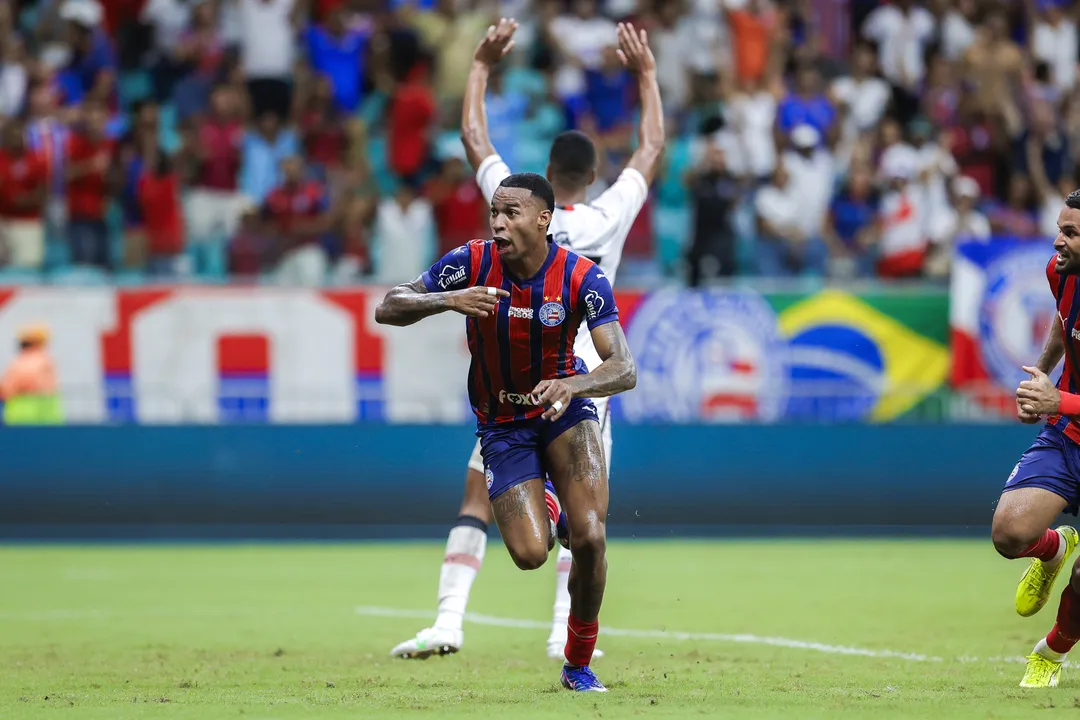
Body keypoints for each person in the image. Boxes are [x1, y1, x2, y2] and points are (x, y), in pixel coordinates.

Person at [387, 18, 663, 664]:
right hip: (585, 388)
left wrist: (480, 66)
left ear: (540, 192)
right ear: (590, 176)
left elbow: (473, 137)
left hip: (526, 384)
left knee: (478, 497)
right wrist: (646, 75)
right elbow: (649, 151)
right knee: (584, 526)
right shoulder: (606, 217)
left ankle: (448, 620)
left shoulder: (508, 206)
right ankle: (562, 638)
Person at [375, 171, 637, 692]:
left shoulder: (582, 277)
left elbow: (624, 368)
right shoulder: (469, 264)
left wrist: (574, 383)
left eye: (510, 213)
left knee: (589, 538)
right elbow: (389, 306)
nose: (498, 223)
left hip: (564, 414)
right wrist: (446, 301)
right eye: (494, 212)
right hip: (502, 426)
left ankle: (578, 664)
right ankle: (552, 505)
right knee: (529, 555)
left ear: (544, 219)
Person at [995, 189, 1080, 687]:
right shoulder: (1060, 270)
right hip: (1069, 436)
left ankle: (1051, 651)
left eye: (1070, 233)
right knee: (1008, 534)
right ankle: (1053, 549)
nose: (1057, 241)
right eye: (1059, 228)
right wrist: (1041, 378)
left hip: (1065, 412)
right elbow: (1063, 318)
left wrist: (1059, 401)